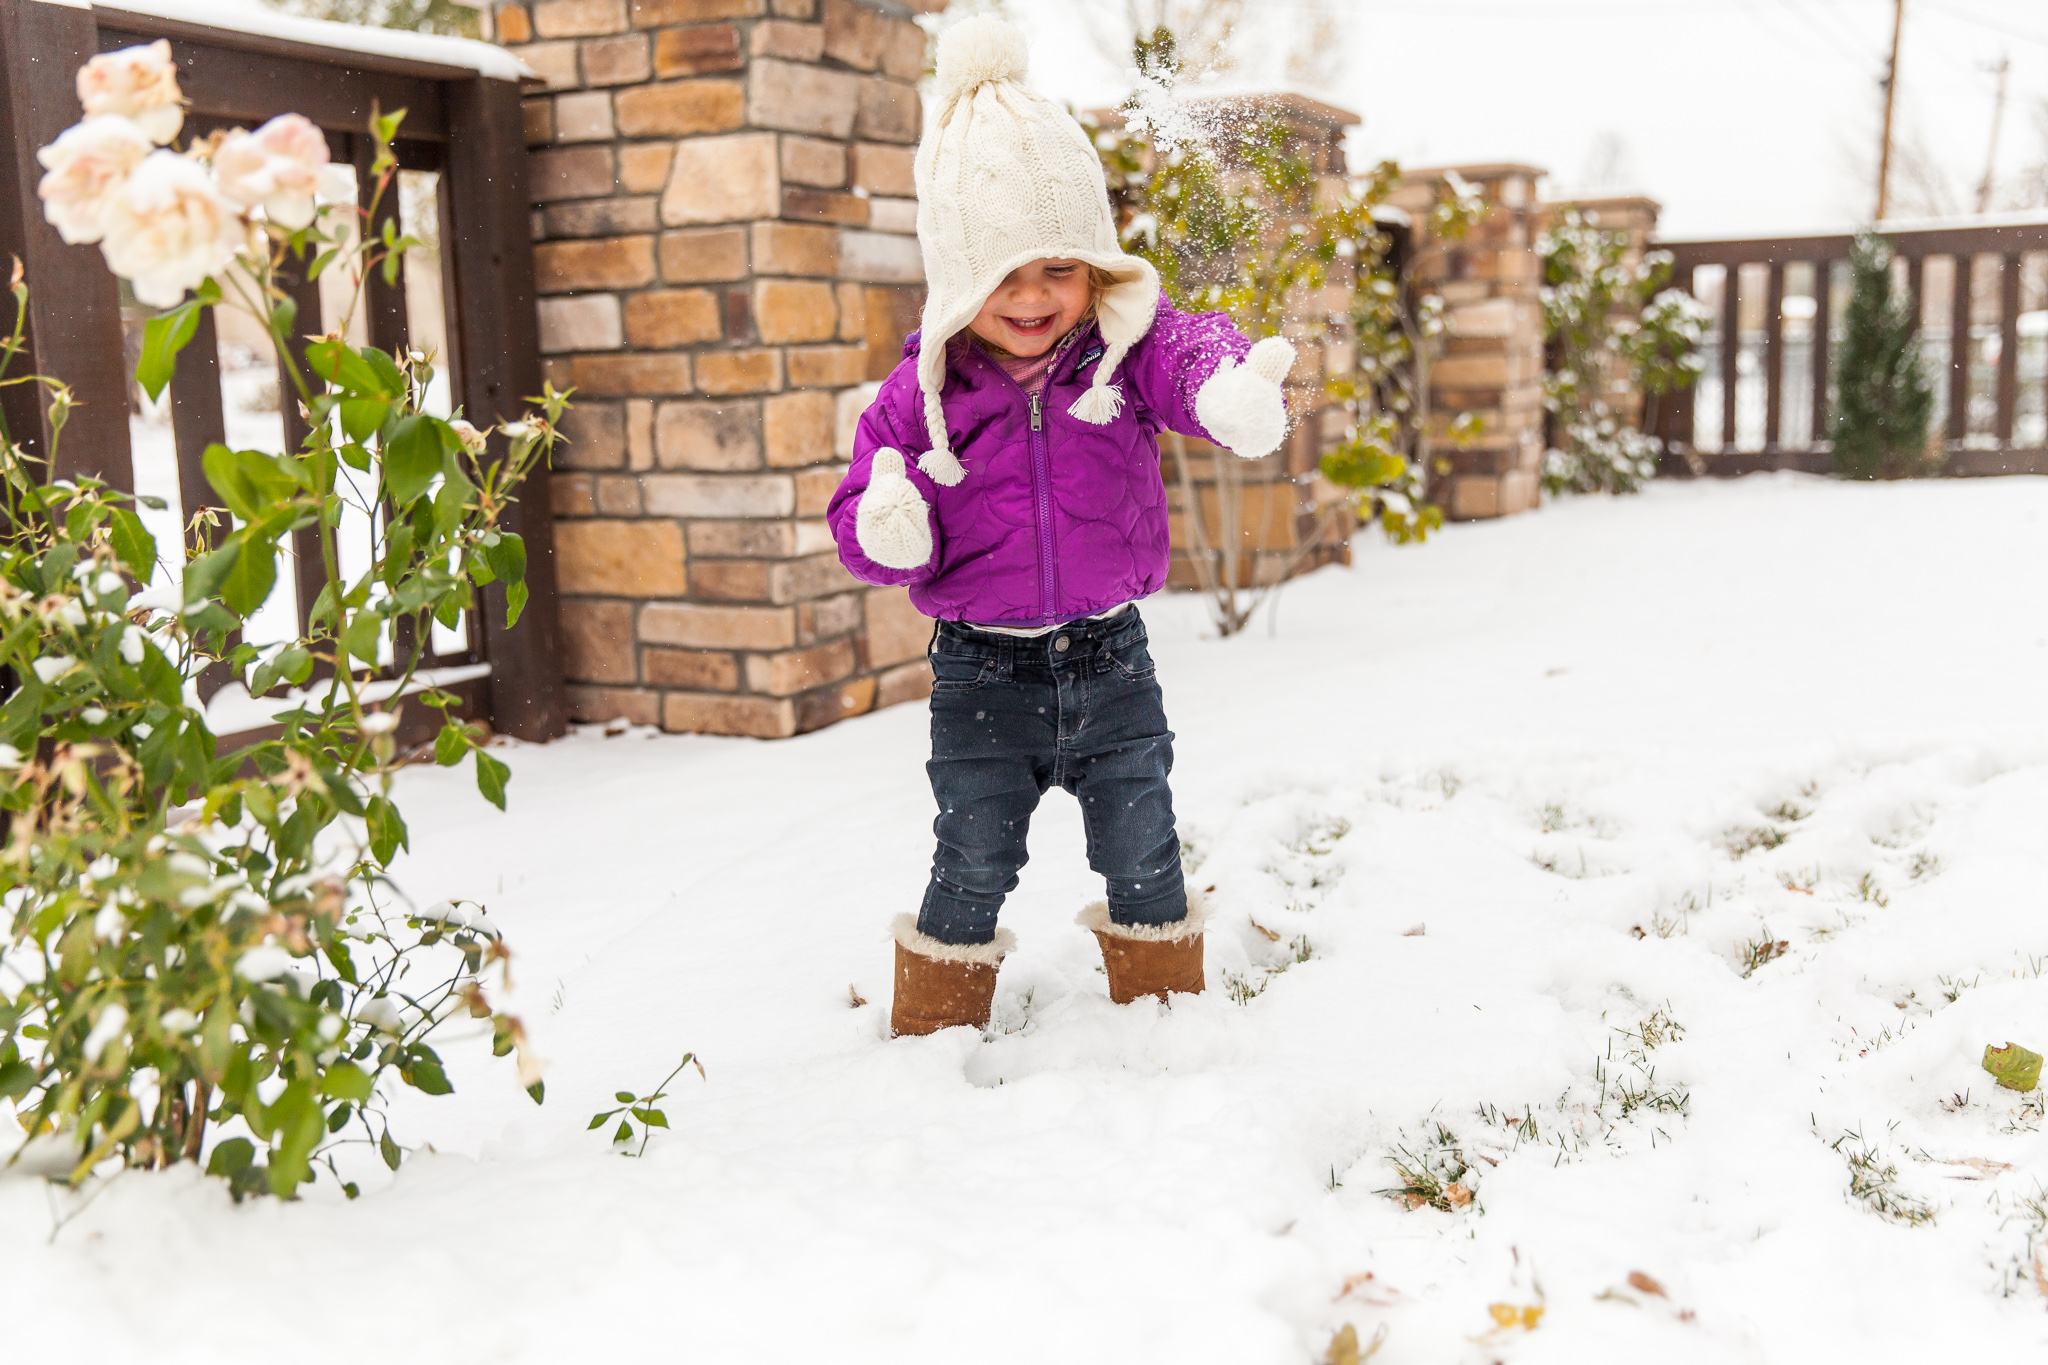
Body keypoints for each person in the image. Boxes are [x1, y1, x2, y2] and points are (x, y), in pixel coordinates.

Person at [828, 16, 1294, 1037]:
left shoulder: (1122, 351)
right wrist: (886, 523)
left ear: (1093, 266)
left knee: (1142, 844)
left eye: (1058, 267)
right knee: (974, 853)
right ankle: (932, 1036)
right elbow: (859, 513)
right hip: (979, 675)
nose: (1034, 296)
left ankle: (1167, 1020)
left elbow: (1189, 351)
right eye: (1002, 274)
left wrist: (1222, 390)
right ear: (955, 276)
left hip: (1110, 659)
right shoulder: (918, 396)